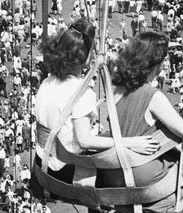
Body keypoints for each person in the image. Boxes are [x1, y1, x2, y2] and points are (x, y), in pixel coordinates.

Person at [98, 31, 183, 213]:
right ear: (154, 63)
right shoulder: (152, 96)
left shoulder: (116, 88)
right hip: (137, 174)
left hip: (111, 171)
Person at [33, 20, 159, 190]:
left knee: (108, 139)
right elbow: (84, 141)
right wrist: (130, 142)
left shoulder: (47, 82)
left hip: (42, 162)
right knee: (124, 165)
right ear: (84, 55)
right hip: (64, 170)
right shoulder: (82, 92)